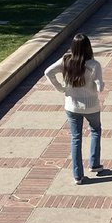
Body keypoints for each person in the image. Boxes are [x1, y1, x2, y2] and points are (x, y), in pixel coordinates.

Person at [44, 33, 104, 184]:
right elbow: (99, 86)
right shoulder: (93, 64)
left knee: (76, 137)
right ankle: (94, 164)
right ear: (88, 47)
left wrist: (61, 88)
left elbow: (48, 72)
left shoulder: (66, 60)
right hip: (91, 106)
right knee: (95, 131)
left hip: (71, 106)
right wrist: (98, 84)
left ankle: (77, 175)